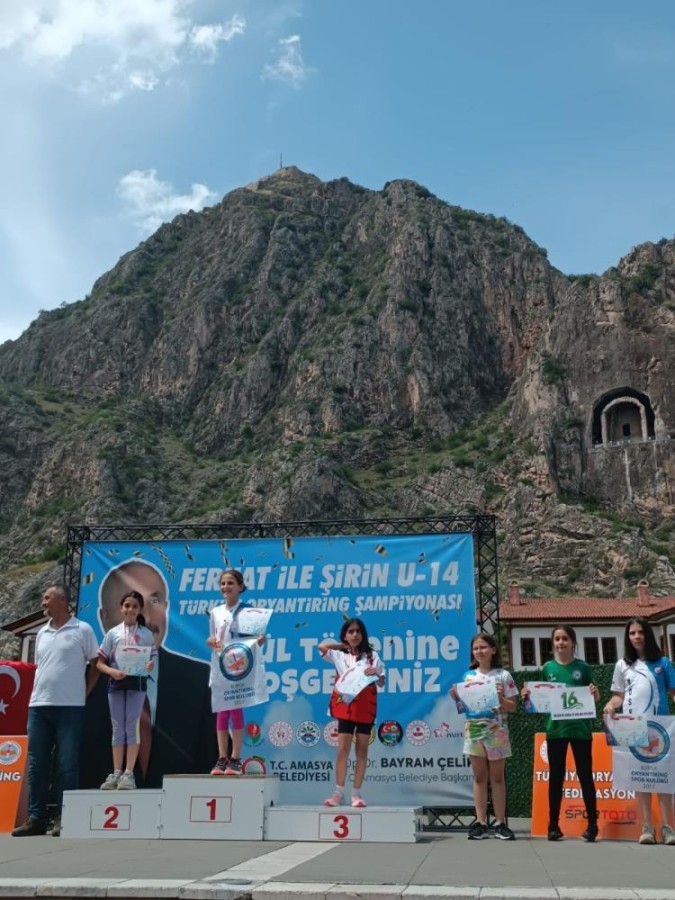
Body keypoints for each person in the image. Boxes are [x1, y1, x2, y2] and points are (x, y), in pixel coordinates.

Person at [81, 560, 216, 789]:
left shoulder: (199, 679)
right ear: (104, 617)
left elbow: (209, 759)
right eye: (129, 603)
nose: (145, 614)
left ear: (166, 608)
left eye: (154, 601)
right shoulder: (85, 684)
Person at [12, 584, 99, 838]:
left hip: (70, 707)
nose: (43, 602)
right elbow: (42, 667)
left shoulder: (82, 629)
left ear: (62, 600)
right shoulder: (42, 632)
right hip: (38, 706)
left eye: (47, 598)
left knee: (66, 764)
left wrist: (84, 692)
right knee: (37, 764)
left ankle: (64, 817)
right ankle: (36, 818)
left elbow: (96, 664)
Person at [522, 624, 599, 842]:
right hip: (555, 730)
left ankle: (592, 825)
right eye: (557, 639)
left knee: (586, 776)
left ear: (573, 642)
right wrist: (527, 696)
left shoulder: (583, 668)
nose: (560, 642)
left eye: (565, 638)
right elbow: (541, 699)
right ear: (553, 643)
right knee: (556, 777)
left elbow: (594, 698)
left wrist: (595, 693)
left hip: (580, 729)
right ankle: (553, 826)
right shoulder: (548, 668)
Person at [604, 616, 675, 845]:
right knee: (640, 778)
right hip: (632, 727)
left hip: (660, 727)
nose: (637, 636)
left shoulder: (663, 662)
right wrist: (610, 705)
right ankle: (647, 827)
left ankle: (668, 828)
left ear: (647, 635)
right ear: (628, 637)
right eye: (632, 633)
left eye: (640, 632)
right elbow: (618, 696)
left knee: (663, 778)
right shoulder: (622, 665)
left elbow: (673, 692)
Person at [452, 632, 517, 840]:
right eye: (475, 648)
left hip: (497, 730)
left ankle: (500, 822)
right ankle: (480, 822)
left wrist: (500, 698)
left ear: (493, 650)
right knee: (479, 777)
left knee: (497, 778)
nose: (479, 651)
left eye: (483, 647)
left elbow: (513, 707)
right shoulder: (468, 677)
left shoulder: (503, 676)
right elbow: (463, 707)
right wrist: (457, 698)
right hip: (474, 730)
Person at [319, 617, 385, 809]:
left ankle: (356, 793)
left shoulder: (372, 656)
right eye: (351, 632)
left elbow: (381, 682)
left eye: (358, 631)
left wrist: (376, 673)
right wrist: (344, 646)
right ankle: (338, 793)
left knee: (362, 749)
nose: (355, 634)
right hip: (346, 706)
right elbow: (321, 647)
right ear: (345, 635)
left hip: (365, 706)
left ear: (363, 634)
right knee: (342, 749)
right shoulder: (339, 655)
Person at [206, 569, 265, 775]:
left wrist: (259, 640)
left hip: (240, 668)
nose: (226, 587)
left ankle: (236, 759)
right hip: (221, 667)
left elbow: (255, 639)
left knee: (235, 710)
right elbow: (212, 638)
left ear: (240, 587)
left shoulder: (248, 611)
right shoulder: (216, 612)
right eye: (223, 583)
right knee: (222, 712)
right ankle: (222, 758)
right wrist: (211, 641)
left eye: (230, 583)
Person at [96, 590, 156, 791]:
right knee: (117, 727)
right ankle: (116, 772)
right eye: (127, 606)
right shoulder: (112, 634)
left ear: (140, 610)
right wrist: (112, 671)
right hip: (116, 684)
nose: (130, 609)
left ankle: (129, 773)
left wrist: (149, 666)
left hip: (137, 685)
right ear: (121, 608)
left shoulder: (146, 634)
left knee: (132, 727)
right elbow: (99, 663)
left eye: (134, 606)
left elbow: (151, 661)